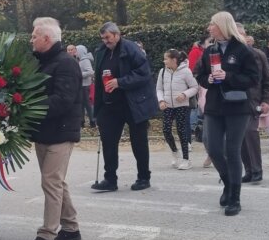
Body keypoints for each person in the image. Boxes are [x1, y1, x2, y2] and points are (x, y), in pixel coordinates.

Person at [23, 18, 83, 240]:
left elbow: (63, 100)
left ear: (46, 39)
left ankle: (46, 236)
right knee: (56, 182)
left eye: (34, 36)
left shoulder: (66, 64)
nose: (31, 39)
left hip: (61, 132)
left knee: (50, 182)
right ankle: (71, 228)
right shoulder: (41, 63)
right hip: (44, 132)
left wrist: (29, 105)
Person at [194, 11, 260, 216]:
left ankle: (235, 198)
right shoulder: (210, 50)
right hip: (214, 106)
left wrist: (228, 76)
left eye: (212, 24)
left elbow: (253, 78)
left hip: (237, 108)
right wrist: (208, 80)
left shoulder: (242, 50)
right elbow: (200, 74)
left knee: (232, 151)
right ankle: (228, 183)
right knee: (213, 148)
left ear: (222, 26)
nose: (209, 28)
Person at [91, 22, 159, 191]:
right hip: (109, 104)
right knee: (108, 141)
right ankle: (110, 179)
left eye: (107, 37)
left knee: (139, 141)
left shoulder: (131, 49)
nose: (105, 41)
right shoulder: (101, 52)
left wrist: (120, 82)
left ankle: (144, 177)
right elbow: (98, 80)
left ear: (116, 34)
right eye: (103, 38)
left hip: (132, 103)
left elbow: (143, 73)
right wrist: (97, 107)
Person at [238, 30, 269, 183]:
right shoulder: (228, 55)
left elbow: (268, 78)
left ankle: (257, 169)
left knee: (250, 131)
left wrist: (265, 100)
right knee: (239, 137)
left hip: (253, 101)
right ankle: (248, 170)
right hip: (234, 102)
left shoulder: (258, 54)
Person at [156, 49, 198, 170]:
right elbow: (159, 88)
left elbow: (194, 87)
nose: (164, 61)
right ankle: (175, 152)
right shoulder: (162, 71)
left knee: (181, 131)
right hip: (167, 105)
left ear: (174, 60)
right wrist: (161, 100)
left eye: (166, 59)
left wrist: (185, 94)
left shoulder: (186, 71)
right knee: (166, 130)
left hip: (181, 106)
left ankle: (186, 159)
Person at [69, 44, 96, 128]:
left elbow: (91, 72)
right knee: (81, 104)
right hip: (81, 85)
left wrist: (79, 74)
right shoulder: (80, 60)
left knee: (87, 104)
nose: (75, 52)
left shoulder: (85, 60)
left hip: (85, 85)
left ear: (80, 51)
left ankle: (92, 121)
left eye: (76, 50)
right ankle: (82, 121)